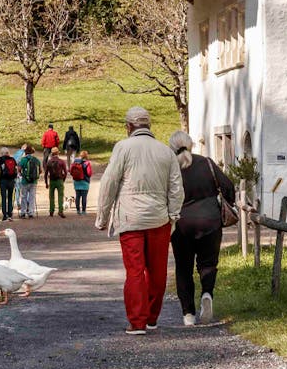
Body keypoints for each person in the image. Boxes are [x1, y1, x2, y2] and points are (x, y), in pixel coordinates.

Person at [96, 107, 183, 335]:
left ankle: (137, 322)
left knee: (134, 271)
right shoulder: (166, 152)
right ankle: (152, 317)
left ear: (128, 127)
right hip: (159, 219)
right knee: (157, 271)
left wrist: (103, 217)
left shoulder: (122, 148)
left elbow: (109, 183)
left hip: (130, 219)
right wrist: (173, 215)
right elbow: (176, 189)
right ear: (149, 126)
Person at [168, 131, 234, 326]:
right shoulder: (206, 163)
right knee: (208, 264)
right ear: (191, 145)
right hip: (210, 222)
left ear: (172, 148)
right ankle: (207, 294)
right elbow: (228, 187)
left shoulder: (171, 168)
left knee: (183, 268)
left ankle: (188, 314)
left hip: (181, 225)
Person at [18, 145, 41, 218]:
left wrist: (22, 174)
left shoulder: (23, 160)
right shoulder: (36, 160)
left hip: (25, 181)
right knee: (32, 197)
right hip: (34, 182)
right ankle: (31, 212)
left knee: (23, 197)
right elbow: (40, 171)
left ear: (25, 152)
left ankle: (23, 212)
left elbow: (19, 169)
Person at [0, 147, 19, 221]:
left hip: (3, 180)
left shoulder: (0, 159)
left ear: (2, 153)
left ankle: (4, 215)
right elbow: (16, 169)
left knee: (3, 197)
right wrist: (15, 177)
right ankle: (10, 213)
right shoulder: (12, 159)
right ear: (8, 152)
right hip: (11, 180)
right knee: (10, 197)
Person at [45, 152, 67, 217]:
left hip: (52, 181)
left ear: (52, 154)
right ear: (58, 154)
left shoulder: (49, 162)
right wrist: (63, 180)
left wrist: (46, 183)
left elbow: (46, 173)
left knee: (51, 196)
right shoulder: (61, 161)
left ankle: (51, 211)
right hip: (59, 180)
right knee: (60, 196)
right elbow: (65, 172)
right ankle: (60, 211)